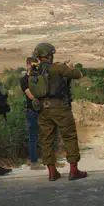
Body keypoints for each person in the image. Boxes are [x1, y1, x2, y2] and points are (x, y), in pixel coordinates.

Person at [31, 43, 87, 181]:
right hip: (60, 107)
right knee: (69, 137)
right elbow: (79, 75)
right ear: (50, 54)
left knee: (46, 140)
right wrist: (70, 67)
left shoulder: (34, 70)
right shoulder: (57, 67)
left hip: (43, 108)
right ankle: (74, 171)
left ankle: (52, 172)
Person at [20, 57, 44, 170]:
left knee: (45, 135)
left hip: (41, 110)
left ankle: (45, 159)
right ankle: (33, 161)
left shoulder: (39, 78)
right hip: (32, 110)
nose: (36, 68)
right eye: (34, 66)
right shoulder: (25, 79)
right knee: (33, 137)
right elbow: (31, 96)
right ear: (28, 65)